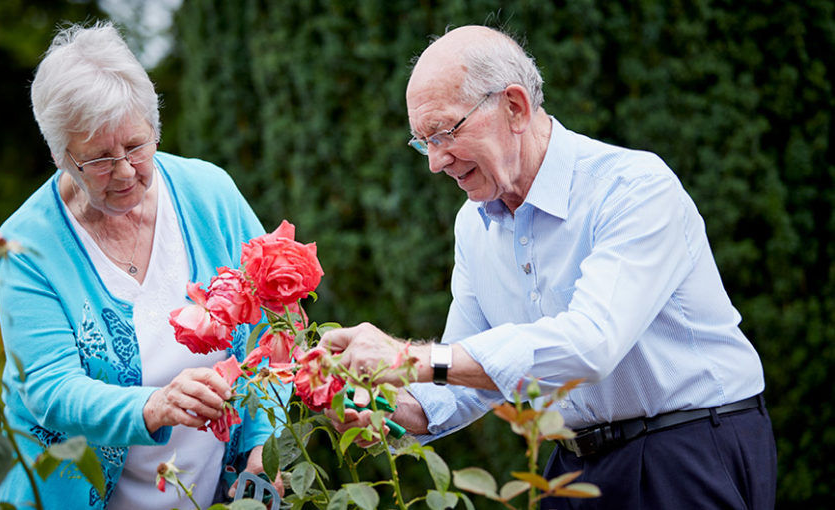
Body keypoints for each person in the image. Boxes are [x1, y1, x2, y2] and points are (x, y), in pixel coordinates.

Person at [319, 25, 777, 509]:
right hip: (571, 467)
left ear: (514, 107)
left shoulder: (633, 187)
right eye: (423, 142)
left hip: (685, 450)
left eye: (445, 132)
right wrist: (381, 409)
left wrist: (405, 358)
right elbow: (460, 374)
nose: (435, 162)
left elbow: (591, 343)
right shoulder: (473, 225)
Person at [0, 22, 282, 509]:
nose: (127, 171)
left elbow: (276, 325)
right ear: (60, 156)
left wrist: (264, 446)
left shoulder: (209, 194)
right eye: (101, 159)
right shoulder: (26, 247)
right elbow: (51, 390)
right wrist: (155, 405)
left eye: (136, 146)